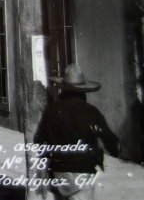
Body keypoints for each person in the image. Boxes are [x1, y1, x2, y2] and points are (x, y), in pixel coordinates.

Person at [34, 63, 119, 200]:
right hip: (83, 171)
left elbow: (38, 139)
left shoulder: (51, 111)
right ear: (83, 91)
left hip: (59, 171)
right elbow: (110, 140)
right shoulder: (91, 112)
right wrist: (113, 150)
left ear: (63, 89)